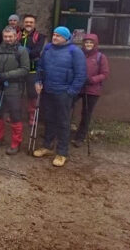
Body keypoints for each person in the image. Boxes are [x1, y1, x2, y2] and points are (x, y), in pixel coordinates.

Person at [33, 27, 87, 166]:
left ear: (66, 38)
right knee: (49, 119)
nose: (54, 37)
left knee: (63, 122)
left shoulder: (75, 51)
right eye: (54, 34)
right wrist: (38, 81)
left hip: (64, 93)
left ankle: (62, 153)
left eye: (58, 35)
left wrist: (71, 92)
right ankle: (47, 146)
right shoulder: (48, 48)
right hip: (48, 90)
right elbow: (40, 67)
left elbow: (81, 75)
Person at [0, 25, 30, 155]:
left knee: (15, 114)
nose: (8, 39)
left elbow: (25, 69)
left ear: (16, 36)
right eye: (5, 36)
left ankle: (16, 142)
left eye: (10, 36)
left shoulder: (21, 51)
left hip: (14, 87)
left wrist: (6, 75)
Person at [72, 34, 109, 147]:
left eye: (91, 43)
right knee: (66, 106)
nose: (88, 44)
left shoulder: (100, 57)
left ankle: (80, 137)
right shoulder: (79, 54)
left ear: (95, 44)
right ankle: (62, 131)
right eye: (86, 42)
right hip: (77, 87)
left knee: (86, 114)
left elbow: (105, 73)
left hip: (92, 90)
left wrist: (92, 80)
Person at [20, 14, 47, 127]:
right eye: (26, 22)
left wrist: (21, 53)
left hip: (32, 68)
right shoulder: (17, 35)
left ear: (34, 24)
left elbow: (36, 51)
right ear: (23, 23)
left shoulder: (40, 36)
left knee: (32, 94)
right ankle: (15, 114)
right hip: (18, 69)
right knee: (17, 92)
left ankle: (32, 116)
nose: (28, 24)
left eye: (31, 22)